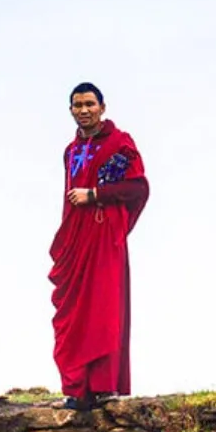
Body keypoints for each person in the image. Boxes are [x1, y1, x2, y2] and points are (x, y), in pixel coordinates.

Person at [48, 82, 149, 410]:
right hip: (76, 239)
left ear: (102, 107)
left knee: (104, 308)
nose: (84, 110)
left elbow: (137, 187)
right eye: (77, 105)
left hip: (104, 236)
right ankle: (77, 388)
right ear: (70, 110)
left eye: (90, 104)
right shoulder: (70, 151)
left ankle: (105, 386)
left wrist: (96, 196)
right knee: (74, 310)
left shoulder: (121, 144)